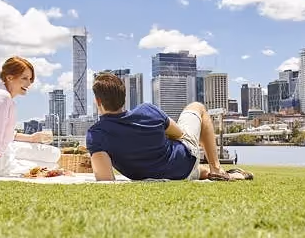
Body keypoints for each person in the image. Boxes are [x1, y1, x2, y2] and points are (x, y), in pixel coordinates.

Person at [86, 72, 254, 182]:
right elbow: (180, 134)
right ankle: (217, 169)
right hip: (183, 165)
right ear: (123, 96)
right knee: (197, 107)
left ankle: (220, 172)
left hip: (166, 173)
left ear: (98, 101)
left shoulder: (96, 134)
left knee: (193, 168)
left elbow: (105, 180)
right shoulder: (147, 110)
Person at [0, 56, 59, 177]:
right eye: (24, 78)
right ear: (9, 77)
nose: (29, 83)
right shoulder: (3, 99)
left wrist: (32, 138)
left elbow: (4, 133)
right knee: (53, 160)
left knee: (54, 153)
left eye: (30, 79)